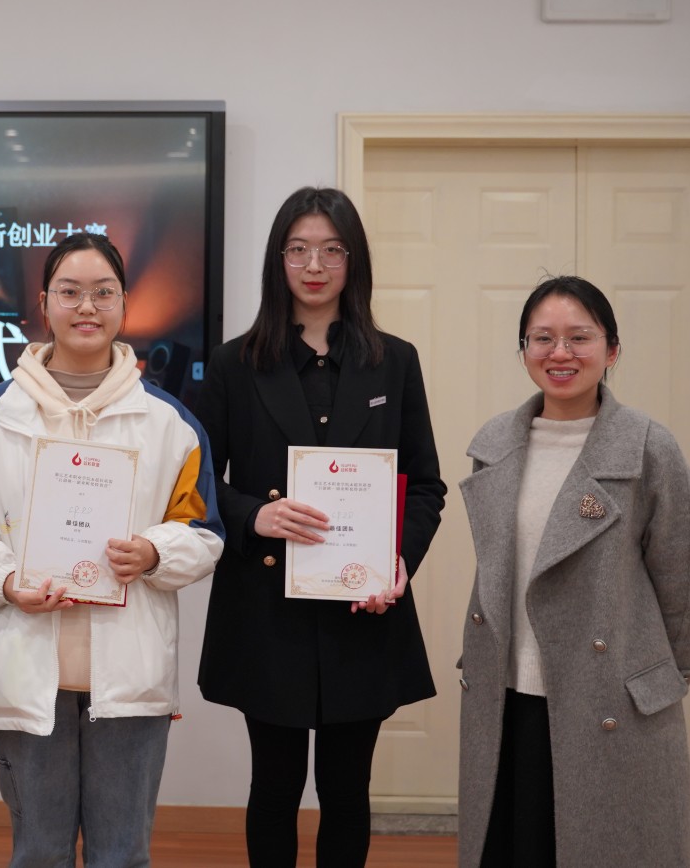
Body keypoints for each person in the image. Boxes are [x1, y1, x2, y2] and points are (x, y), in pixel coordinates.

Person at [0, 232, 225, 868]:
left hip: (129, 677)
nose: (87, 307)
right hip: (25, 671)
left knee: (121, 855)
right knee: (38, 854)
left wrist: (153, 553)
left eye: (103, 292)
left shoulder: (170, 423)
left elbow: (205, 531)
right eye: (70, 292)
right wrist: (6, 580)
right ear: (44, 303)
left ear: (124, 303)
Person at [196, 187, 445, 868]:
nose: (314, 265)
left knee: (347, 790)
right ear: (278, 259)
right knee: (274, 787)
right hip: (265, 607)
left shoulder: (394, 361)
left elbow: (426, 485)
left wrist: (397, 562)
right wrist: (255, 514)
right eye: (299, 249)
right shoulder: (234, 363)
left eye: (332, 250)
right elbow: (197, 484)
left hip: (362, 608)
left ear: (353, 260)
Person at [456, 275, 690, 868]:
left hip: (608, 700)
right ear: (524, 349)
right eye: (542, 338)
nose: (560, 353)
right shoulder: (494, 443)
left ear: (612, 349)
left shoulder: (647, 447)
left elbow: (689, 582)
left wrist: (656, 678)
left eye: (579, 337)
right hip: (506, 693)